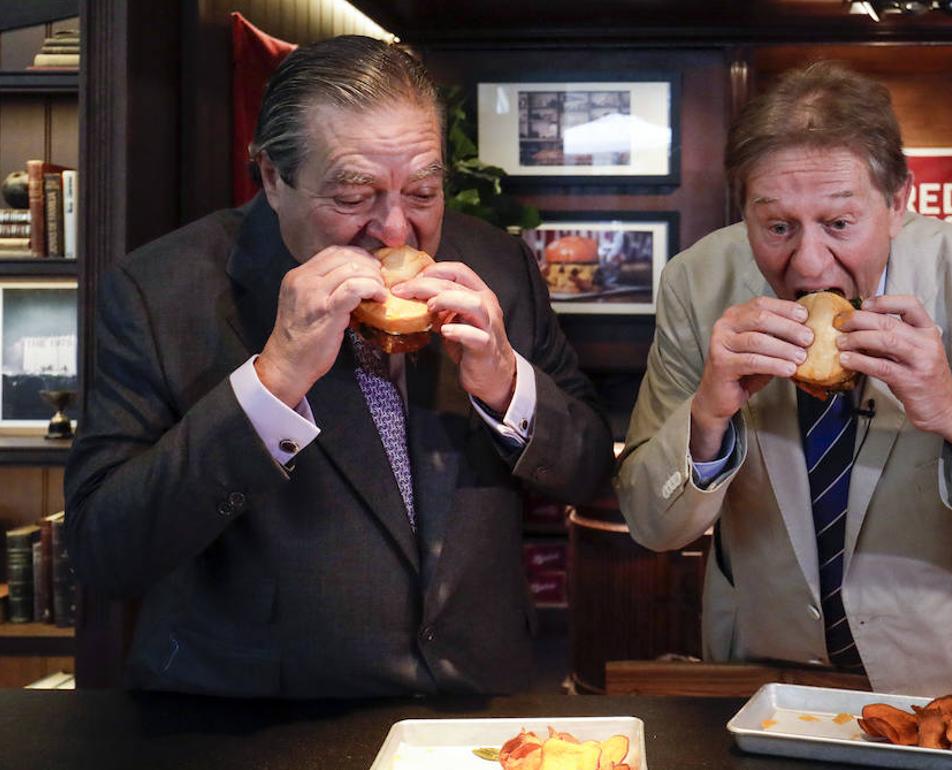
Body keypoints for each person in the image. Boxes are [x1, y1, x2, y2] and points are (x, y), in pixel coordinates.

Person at [65, 35, 613, 698]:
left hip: (476, 706)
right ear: (272, 177)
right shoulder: (159, 292)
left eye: (423, 191)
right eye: (353, 197)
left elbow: (586, 471)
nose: (395, 232)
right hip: (261, 725)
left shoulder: (497, 266)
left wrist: (506, 385)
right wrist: (272, 385)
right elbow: (105, 554)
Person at [615, 61, 952, 700]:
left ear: (899, 202)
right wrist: (707, 418)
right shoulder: (695, 284)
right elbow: (651, 524)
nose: (810, 262)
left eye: (840, 224)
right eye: (777, 226)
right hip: (765, 679)